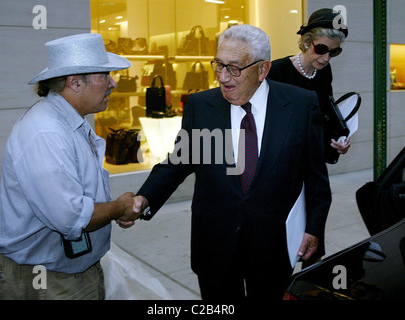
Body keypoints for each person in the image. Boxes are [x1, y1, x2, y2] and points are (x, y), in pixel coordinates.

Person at [128, 24, 332, 300]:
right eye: (219, 66)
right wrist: (144, 199)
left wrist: (314, 229)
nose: (223, 77)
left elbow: (315, 176)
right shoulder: (202, 106)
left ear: (263, 69)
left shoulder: (299, 104)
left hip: (274, 245)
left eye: (234, 68)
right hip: (215, 245)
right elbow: (179, 162)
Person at [0, 33, 142, 300]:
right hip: (45, 280)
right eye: (105, 76)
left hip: (63, 273)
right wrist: (120, 207)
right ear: (75, 82)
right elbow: (71, 218)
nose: (113, 83)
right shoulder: (47, 132)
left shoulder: (68, 123)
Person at [268, 8, 350, 164]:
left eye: (333, 52)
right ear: (306, 42)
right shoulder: (276, 71)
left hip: (313, 156)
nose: (326, 58)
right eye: (321, 49)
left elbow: (325, 111)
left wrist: (339, 140)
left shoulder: (325, 72)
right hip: (282, 158)